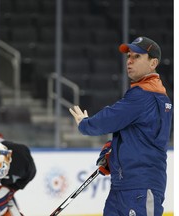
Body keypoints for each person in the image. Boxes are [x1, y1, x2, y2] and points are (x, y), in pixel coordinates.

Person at [69, 36, 173, 215]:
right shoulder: (154, 95)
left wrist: (85, 124)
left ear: (153, 63)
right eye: (129, 56)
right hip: (125, 186)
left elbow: (109, 119)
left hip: (140, 188)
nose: (130, 61)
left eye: (137, 57)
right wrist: (113, 154)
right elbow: (139, 135)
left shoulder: (144, 95)